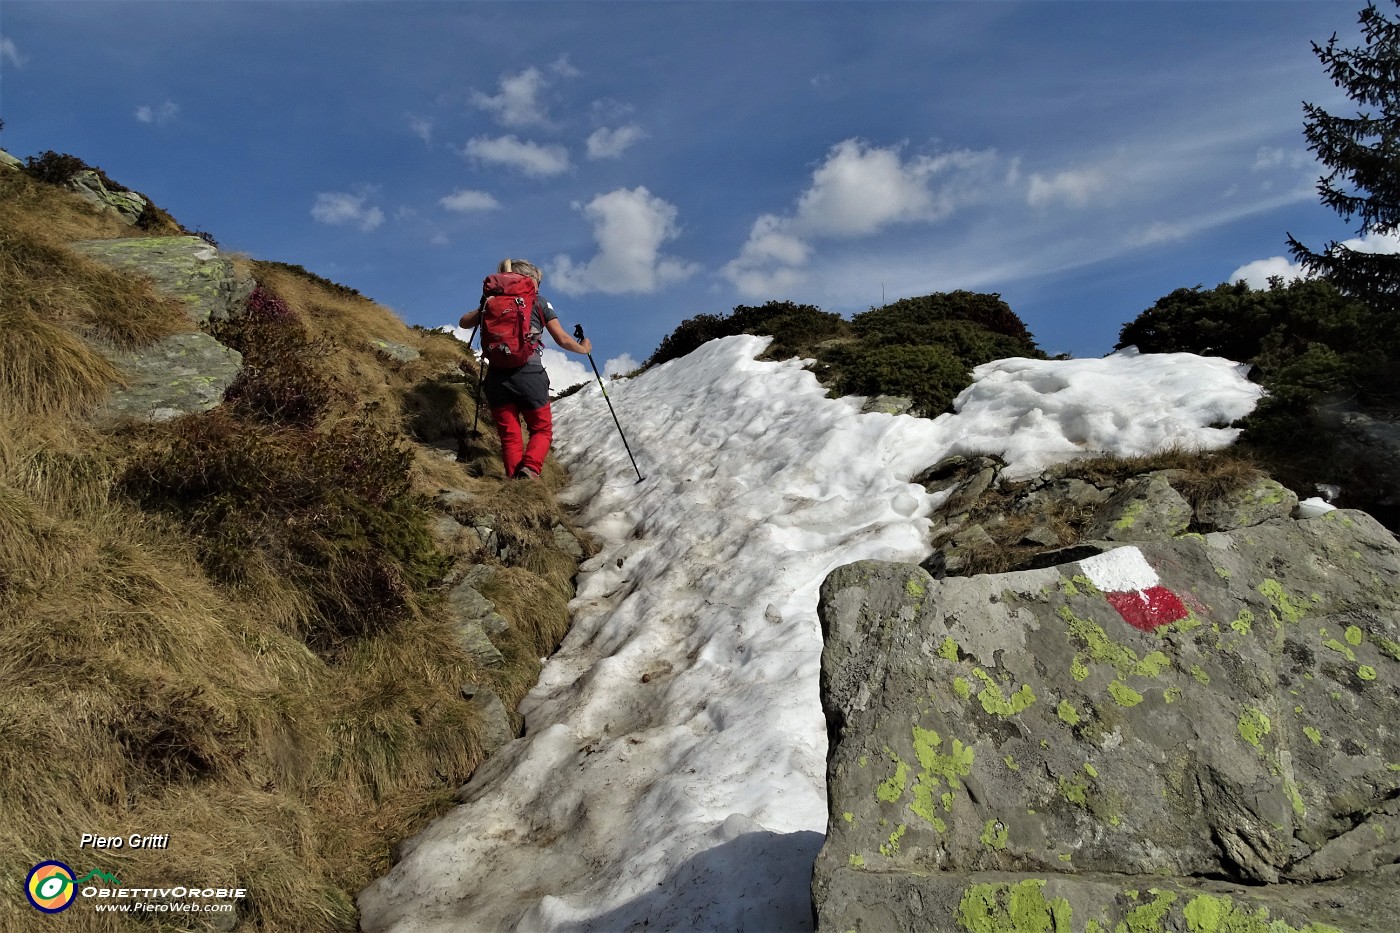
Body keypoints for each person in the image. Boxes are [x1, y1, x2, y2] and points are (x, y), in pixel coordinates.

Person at [458, 258, 592, 480]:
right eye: (537, 281)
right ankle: (529, 469)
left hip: (497, 377)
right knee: (541, 429)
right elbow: (562, 339)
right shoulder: (539, 301)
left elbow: (464, 322)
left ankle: (515, 483)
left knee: (510, 436)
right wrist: (584, 349)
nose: (538, 286)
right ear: (529, 279)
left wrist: (485, 304)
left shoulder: (491, 301)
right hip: (529, 374)